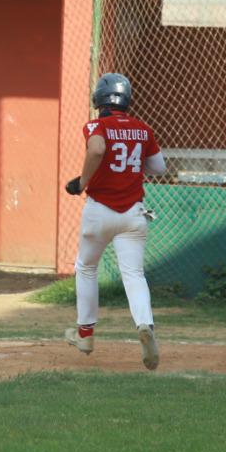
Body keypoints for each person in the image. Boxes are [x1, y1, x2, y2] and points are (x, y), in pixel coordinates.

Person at [63, 72, 166, 370]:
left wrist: (82, 182)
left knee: (86, 267)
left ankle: (85, 336)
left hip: (100, 211)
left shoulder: (97, 124)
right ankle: (145, 325)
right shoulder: (143, 129)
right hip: (133, 213)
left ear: (100, 99)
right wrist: (136, 161)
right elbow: (159, 167)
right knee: (133, 274)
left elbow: (96, 148)